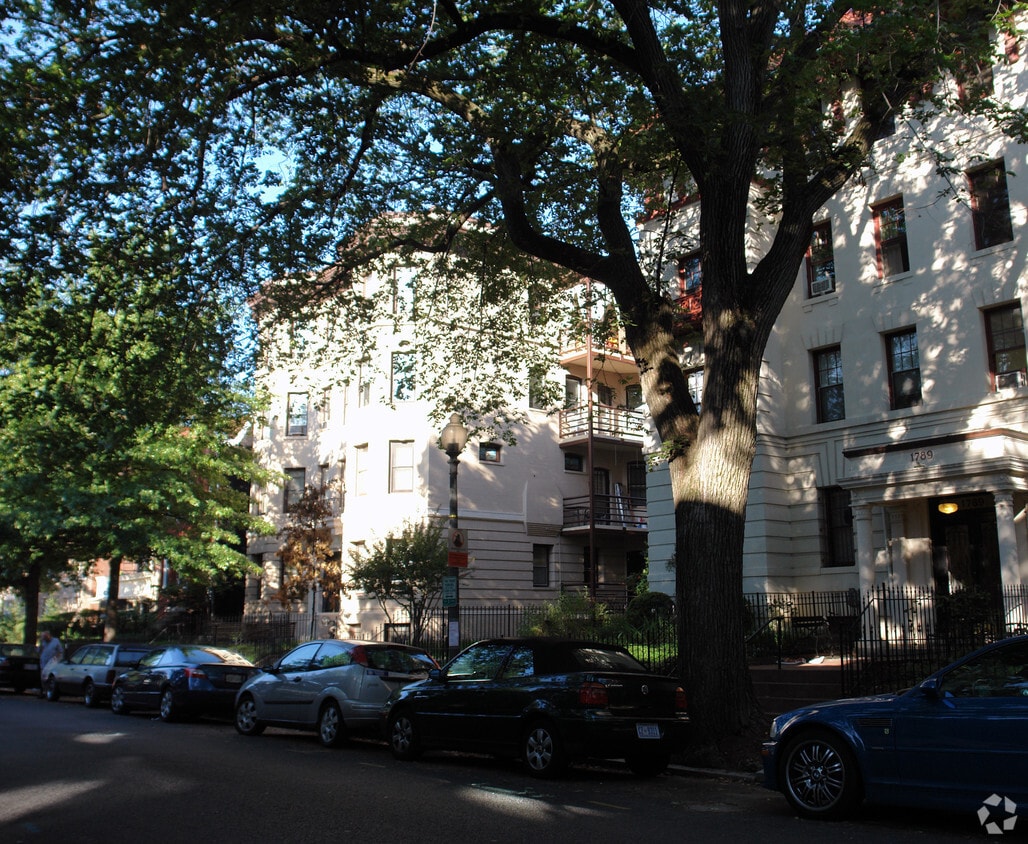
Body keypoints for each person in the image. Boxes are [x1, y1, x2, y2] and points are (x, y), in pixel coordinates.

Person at [38, 629, 64, 696]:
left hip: (52, 662)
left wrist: (56, 658)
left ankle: (48, 691)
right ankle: (43, 691)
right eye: (44, 638)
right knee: (43, 677)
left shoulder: (56, 641)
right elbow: (38, 651)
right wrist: (40, 643)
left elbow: (60, 651)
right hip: (44, 661)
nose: (45, 639)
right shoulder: (43, 642)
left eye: (46, 637)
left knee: (49, 677)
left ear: (49, 636)